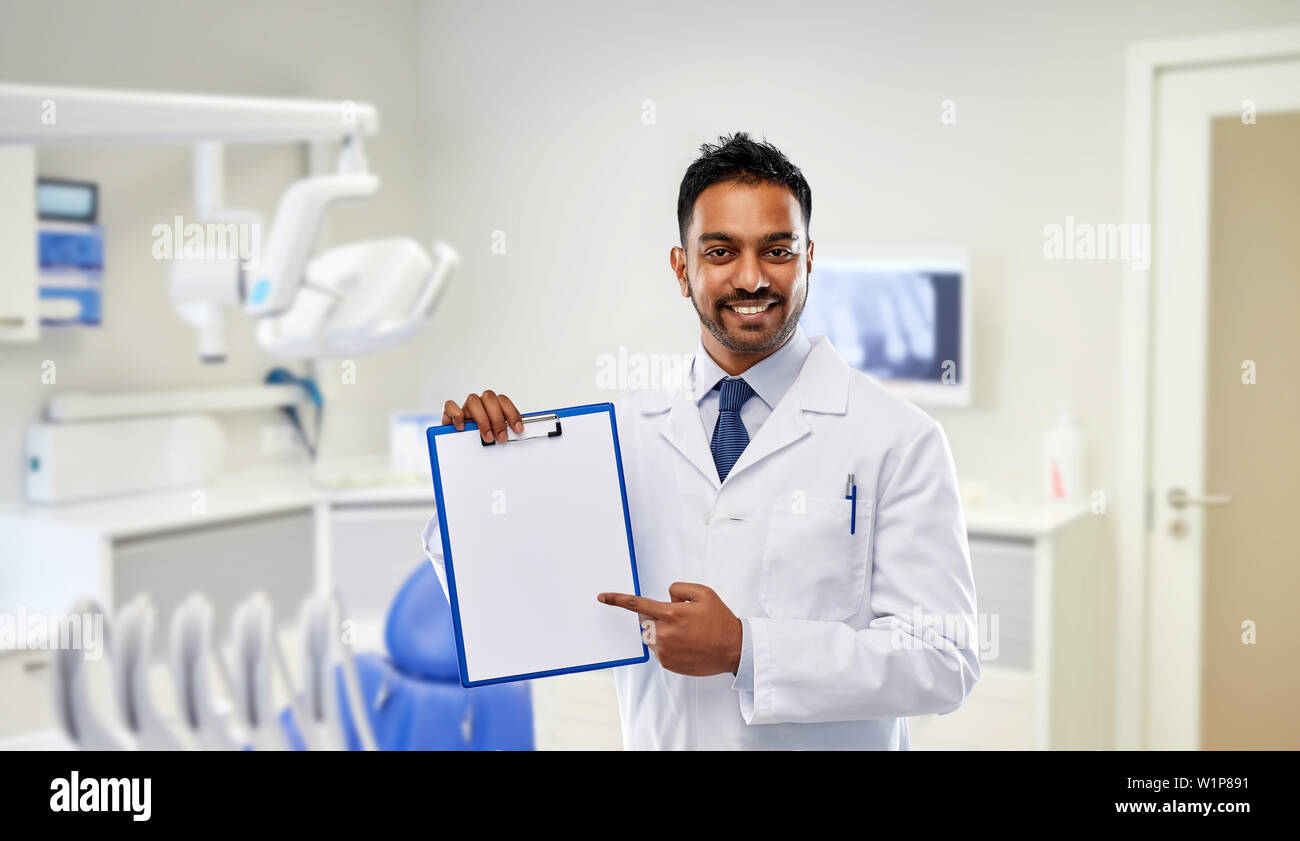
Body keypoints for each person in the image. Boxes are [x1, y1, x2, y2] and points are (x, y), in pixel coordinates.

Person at [423, 132, 979, 749]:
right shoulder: (621, 436)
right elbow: (516, 607)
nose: (750, 277)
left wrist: (748, 649)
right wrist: (479, 478)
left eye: (777, 250)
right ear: (681, 268)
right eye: (720, 252)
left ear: (809, 260)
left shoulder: (899, 439)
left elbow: (944, 660)